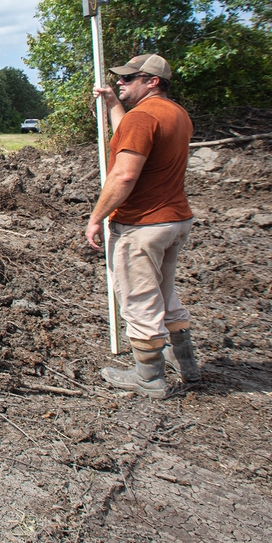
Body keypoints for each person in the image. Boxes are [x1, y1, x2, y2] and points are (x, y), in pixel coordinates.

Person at [87, 53, 200, 399]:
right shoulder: (175, 114)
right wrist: (111, 105)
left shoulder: (143, 118)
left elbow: (124, 175)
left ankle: (149, 379)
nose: (120, 82)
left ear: (152, 82)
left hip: (142, 226)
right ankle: (186, 365)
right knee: (166, 295)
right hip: (175, 220)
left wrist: (96, 217)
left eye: (128, 78)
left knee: (139, 300)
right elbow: (131, 134)